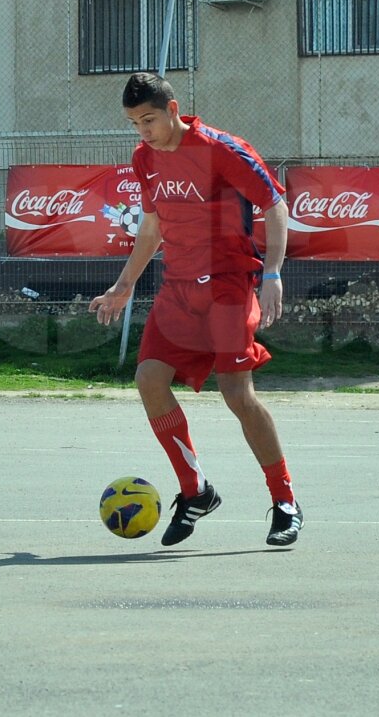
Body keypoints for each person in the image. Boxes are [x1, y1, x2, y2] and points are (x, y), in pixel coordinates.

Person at [89, 71, 303, 547]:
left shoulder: (222, 149)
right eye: (133, 123)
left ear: (172, 109)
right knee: (148, 379)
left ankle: (284, 499)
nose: (142, 131)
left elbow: (274, 204)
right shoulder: (144, 159)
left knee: (237, 394)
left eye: (148, 119)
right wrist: (123, 286)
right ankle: (196, 490)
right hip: (179, 288)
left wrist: (271, 273)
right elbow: (151, 228)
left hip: (227, 285)